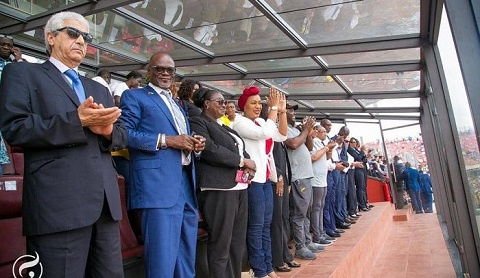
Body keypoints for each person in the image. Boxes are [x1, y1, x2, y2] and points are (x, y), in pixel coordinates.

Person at [0, 11, 127, 277]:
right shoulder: (22, 74)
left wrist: (107, 132)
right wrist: (76, 120)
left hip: (104, 207)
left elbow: (122, 136)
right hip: (58, 206)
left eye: (86, 36)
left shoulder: (99, 87)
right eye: (73, 33)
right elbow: (15, 129)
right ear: (50, 37)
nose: (81, 40)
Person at [119, 52, 206, 278]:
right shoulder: (135, 96)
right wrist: (166, 140)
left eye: (170, 70)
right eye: (160, 69)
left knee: (186, 256)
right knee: (162, 260)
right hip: (157, 187)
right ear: (149, 70)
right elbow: (124, 134)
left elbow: (180, 137)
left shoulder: (177, 103)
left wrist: (194, 143)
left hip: (185, 183)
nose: (166, 73)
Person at [189, 88, 256, 278]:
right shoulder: (198, 121)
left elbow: (241, 150)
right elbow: (209, 149)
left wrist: (250, 165)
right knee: (221, 243)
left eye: (225, 102)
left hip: (239, 187)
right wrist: (242, 162)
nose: (224, 105)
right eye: (219, 101)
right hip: (218, 188)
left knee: (236, 243)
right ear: (206, 103)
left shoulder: (225, 126)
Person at [232, 86, 287, 278]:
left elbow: (281, 135)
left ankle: (268, 266)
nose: (258, 106)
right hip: (251, 181)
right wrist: (272, 109)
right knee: (255, 226)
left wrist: (282, 111)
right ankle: (259, 270)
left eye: (259, 103)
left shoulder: (263, 121)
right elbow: (264, 134)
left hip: (264, 180)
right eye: (253, 103)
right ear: (243, 106)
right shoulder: (238, 122)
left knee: (266, 225)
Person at [285, 106, 326, 260]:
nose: (293, 113)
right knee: (298, 214)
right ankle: (300, 247)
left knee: (306, 212)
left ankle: (308, 242)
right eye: (289, 111)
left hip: (307, 176)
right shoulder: (284, 129)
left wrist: (306, 131)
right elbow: (293, 144)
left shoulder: (296, 130)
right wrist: (305, 130)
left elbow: (308, 146)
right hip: (297, 177)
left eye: (294, 111)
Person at [310, 124, 336, 245]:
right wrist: (326, 147)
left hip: (323, 179)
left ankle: (321, 231)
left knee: (321, 206)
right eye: (323, 131)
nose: (325, 134)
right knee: (316, 208)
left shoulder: (321, 143)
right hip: (315, 180)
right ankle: (317, 234)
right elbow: (314, 157)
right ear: (317, 132)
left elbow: (327, 157)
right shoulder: (314, 141)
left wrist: (329, 148)